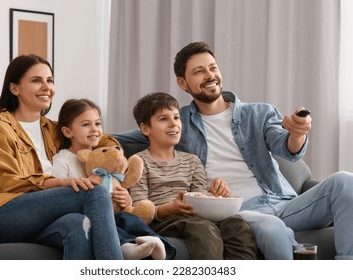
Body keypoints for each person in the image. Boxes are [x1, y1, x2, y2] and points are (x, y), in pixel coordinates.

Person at [115, 41, 353, 260]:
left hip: (283, 202)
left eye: (212, 68)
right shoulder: (178, 123)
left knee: (345, 181)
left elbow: (287, 147)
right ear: (182, 83)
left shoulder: (258, 113)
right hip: (240, 211)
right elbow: (124, 140)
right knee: (272, 228)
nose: (210, 76)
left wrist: (298, 133)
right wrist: (99, 144)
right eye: (199, 72)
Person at [0, 54, 123, 260]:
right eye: (36, 80)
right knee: (94, 192)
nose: (46, 87)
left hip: (39, 215)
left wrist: (115, 156)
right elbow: (7, 182)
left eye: (49, 80)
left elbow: (100, 138)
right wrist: (60, 182)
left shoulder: (52, 128)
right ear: (15, 88)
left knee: (77, 225)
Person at [128, 92, 257, 260]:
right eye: (163, 119)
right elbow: (140, 210)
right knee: (202, 227)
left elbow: (200, 197)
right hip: (162, 220)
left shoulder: (192, 161)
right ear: (146, 128)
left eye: (176, 117)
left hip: (193, 216)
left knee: (236, 224)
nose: (173, 124)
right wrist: (170, 208)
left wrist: (214, 193)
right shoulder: (138, 162)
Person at [52, 98, 176, 260]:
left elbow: (119, 185)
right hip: (85, 215)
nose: (94, 129)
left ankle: (159, 244)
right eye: (85, 124)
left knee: (127, 218)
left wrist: (126, 199)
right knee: (104, 223)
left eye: (97, 123)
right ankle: (126, 245)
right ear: (68, 132)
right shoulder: (62, 159)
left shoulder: (107, 157)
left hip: (113, 213)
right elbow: (59, 198)